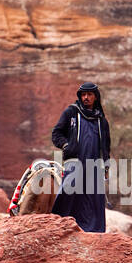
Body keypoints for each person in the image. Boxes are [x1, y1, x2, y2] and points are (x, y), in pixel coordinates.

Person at [50, 81, 111, 233]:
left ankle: (93, 232)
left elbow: (106, 145)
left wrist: (106, 165)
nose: (86, 98)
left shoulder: (101, 121)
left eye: (89, 95)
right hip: (75, 161)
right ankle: (59, 226)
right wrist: (66, 146)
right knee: (69, 192)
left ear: (95, 97)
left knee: (93, 198)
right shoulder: (71, 112)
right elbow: (56, 133)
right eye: (83, 95)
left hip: (95, 163)